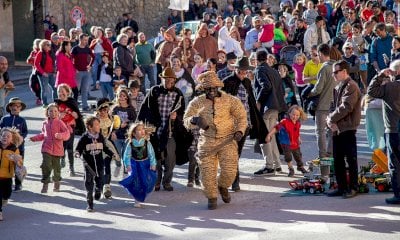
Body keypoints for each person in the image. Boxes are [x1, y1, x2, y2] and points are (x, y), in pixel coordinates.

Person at [183, 71, 247, 210]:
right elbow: (186, 120)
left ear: (218, 87)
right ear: (203, 89)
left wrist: (239, 130)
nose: (211, 91)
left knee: (230, 171)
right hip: (207, 141)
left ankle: (223, 186)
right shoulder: (197, 102)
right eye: (208, 89)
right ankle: (211, 196)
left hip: (227, 139)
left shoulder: (230, 100)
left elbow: (242, 117)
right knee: (207, 173)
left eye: (213, 88)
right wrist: (194, 120)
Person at [137, 67, 190, 191]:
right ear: (162, 79)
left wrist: (176, 116)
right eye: (165, 79)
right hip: (154, 130)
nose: (168, 81)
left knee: (170, 158)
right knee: (155, 158)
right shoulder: (154, 91)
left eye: (170, 79)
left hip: (170, 131)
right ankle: (156, 181)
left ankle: (167, 181)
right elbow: (144, 108)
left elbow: (183, 112)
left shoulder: (178, 94)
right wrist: (139, 125)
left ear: (174, 80)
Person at [222, 57, 268, 191]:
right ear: (235, 69)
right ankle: (234, 180)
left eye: (245, 72)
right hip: (230, 124)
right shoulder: (227, 82)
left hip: (245, 124)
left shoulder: (248, 82)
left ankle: (233, 180)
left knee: (236, 153)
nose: (242, 74)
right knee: (232, 153)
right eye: (240, 71)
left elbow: (251, 103)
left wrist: (255, 122)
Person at [326, 60, 362, 198]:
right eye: (333, 72)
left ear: (344, 71)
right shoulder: (339, 86)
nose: (334, 74)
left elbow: (346, 107)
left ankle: (353, 187)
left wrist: (331, 119)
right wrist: (330, 119)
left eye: (336, 72)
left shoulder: (351, 86)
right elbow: (333, 106)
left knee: (351, 159)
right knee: (338, 159)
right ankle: (341, 187)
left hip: (348, 127)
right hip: (337, 128)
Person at [367, 59, 400, 204]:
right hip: (393, 129)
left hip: (393, 130)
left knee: (395, 163)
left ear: (396, 72)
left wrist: (380, 75)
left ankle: (398, 194)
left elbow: (371, 91)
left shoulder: (390, 87)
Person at [253, 50, 287, 175]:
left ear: (256, 60)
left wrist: (258, 101)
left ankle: (269, 165)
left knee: (264, 137)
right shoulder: (274, 71)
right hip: (276, 107)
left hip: (267, 107)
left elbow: (265, 86)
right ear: (266, 59)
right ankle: (277, 164)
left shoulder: (259, 70)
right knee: (271, 136)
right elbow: (281, 90)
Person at [75, 116, 115, 212]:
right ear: (89, 127)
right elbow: (78, 148)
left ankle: (98, 190)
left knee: (100, 181)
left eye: (99, 124)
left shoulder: (100, 136)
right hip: (88, 165)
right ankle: (90, 205)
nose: (99, 126)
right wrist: (77, 153)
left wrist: (111, 154)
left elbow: (104, 148)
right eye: (96, 124)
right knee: (88, 185)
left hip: (100, 164)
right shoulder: (84, 138)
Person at [30, 104, 70, 194]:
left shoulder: (60, 122)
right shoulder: (45, 123)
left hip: (57, 149)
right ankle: (45, 183)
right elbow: (43, 135)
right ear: (47, 113)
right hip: (46, 148)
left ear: (58, 113)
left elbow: (67, 133)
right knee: (46, 165)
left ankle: (56, 182)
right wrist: (35, 138)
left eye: (55, 111)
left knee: (57, 168)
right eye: (51, 111)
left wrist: (61, 136)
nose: (53, 113)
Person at [307, 43, 337, 158]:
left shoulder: (324, 67)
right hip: (335, 104)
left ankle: (323, 155)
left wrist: (309, 93)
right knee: (331, 130)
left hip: (323, 104)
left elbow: (318, 88)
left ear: (320, 53)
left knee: (320, 131)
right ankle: (331, 154)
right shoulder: (336, 66)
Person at [119, 122, 157, 208]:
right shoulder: (131, 143)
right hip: (134, 164)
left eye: (143, 129)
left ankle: (145, 191)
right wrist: (127, 165)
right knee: (136, 182)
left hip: (145, 164)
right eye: (139, 130)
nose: (142, 131)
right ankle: (137, 199)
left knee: (146, 180)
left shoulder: (147, 143)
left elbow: (151, 154)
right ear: (133, 133)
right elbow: (126, 155)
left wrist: (153, 163)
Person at [266, 105, 308, 177]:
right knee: (288, 157)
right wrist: (269, 135)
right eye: (293, 114)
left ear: (300, 115)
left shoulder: (297, 123)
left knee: (298, 156)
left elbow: (297, 132)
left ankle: (300, 167)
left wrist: (299, 138)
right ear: (289, 113)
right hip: (286, 143)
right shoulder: (284, 122)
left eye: (297, 115)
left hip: (295, 143)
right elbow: (276, 128)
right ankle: (290, 168)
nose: (295, 117)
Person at [94, 98, 121, 199]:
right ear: (98, 110)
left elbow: (116, 129)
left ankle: (107, 187)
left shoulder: (114, 119)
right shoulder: (95, 120)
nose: (104, 112)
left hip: (108, 146)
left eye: (106, 110)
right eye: (101, 110)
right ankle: (98, 186)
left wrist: (114, 132)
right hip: (96, 147)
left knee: (106, 165)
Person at [0, 98, 28, 192]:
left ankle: (18, 184)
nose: (15, 108)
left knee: (18, 165)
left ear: (20, 108)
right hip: (6, 147)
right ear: (10, 107)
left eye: (18, 106)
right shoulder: (5, 119)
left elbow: (25, 132)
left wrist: (21, 138)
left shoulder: (22, 120)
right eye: (13, 106)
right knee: (6, 163)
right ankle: (7, 182)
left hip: (19, 147)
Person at [54, 84, 82, 176]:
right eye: (59, 91)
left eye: (62, 91)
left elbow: (78, 116)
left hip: (70, 127)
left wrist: (75, 115)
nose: (60, 93)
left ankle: (71, 168)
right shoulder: (56, 104)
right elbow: (50, 116)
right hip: (60, 128)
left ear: (68, 92)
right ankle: (62, 157)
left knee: (70, 146)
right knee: (62, 146)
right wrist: (58, 116)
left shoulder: (72, 102)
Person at [0, 128, 23, 221]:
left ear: (11, 139)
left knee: (7, 193)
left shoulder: (14, 149)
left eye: (8, 136)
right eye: (3, 135)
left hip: (7, 176)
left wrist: (16, 160)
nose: (5, 137)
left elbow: (20, 163)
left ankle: (5, 198)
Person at [71, 33, 94, 111]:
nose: (86, 41)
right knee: (75, 90)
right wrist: (74, 69)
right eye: (84, 40)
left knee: (85, 89)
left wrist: (90, 65)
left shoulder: (87, 49)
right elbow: (71, 60)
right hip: (78, 72)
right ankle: (73, 106)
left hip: (86, 72)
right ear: (80, 39)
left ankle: (85, 106)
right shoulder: (75, 49)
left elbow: (93, 57)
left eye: (87, 40)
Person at [26, 39, 42, 105]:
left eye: (38, 43)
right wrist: (30, 59)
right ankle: (38, 96)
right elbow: (28, 61)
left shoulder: (42, 51)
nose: (37, 45)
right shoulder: (33, 52)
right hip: (34, 71)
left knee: (41, 85)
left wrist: (35, 59)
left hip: (41, 71)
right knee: (32, 84)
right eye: (36, 43)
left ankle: (40, 98)